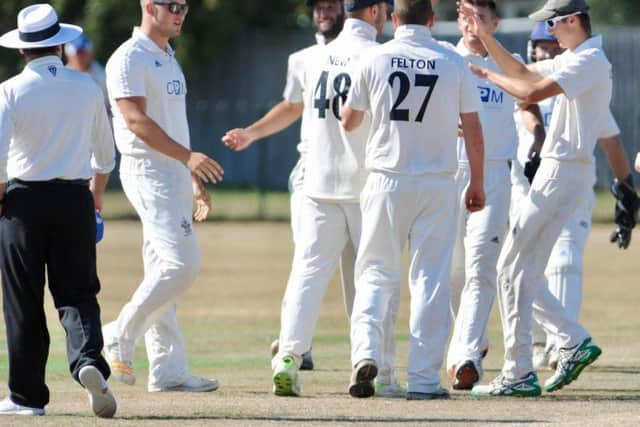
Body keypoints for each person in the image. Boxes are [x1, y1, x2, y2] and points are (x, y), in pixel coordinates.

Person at [458, 0, 639, 397]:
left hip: (562, 171)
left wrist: (482, 71)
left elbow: (529, 90)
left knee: (509, 269)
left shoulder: (589, 61)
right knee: (517, 271)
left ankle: (524, 368)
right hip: (562, 171)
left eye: (553, 24)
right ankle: (562, 346)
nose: (549, 33)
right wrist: (486, 37)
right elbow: (522, 71)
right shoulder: (578, 56)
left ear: (573, 20)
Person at [344, 0, 485, 400]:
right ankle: (423, 379)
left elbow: (349, 120)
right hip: (439, 183)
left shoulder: (375, 57)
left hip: (387, 180)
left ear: (393, 20)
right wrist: (477, 183)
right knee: (430, 281)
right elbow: (473, 131)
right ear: (431, 19)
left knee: (374, 274)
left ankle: (367, 354)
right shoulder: (452, 60)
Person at [270, 0, 394, 397]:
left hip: (319, 185)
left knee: (307, 274)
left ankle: (288, 355)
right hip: (365, 187)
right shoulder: (379, 57)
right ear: (375, 12)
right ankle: (374, 363)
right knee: (374, 279)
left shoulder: (315, 58)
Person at [0, 4, 116, 417]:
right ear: (61, 44)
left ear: (22, 50)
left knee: (23, 301)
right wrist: (95, 196)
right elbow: (106, 156)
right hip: (74, 200)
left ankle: (27, 398)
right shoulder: (87, 87)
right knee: (78, 294)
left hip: (22, 204)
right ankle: (87, 361)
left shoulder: (10, 90)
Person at [103, 0, 224, 393]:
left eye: (184, 7)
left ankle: (168, 369)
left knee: (161, 267)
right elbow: (135, 121)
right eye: (172, 5)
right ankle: (119, 333)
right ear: (148, 6)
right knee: (181, 265)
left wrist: (190, 173)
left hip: (172, 171)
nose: (180, 13)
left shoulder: (169, 58)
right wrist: (187, 157)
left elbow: (175, 124)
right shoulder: (128, 57)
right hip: (147, 171)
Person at [222, 0, 346, 372]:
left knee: (363, 265)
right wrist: (251, 133)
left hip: (361, 174)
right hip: (312, 172)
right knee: (309, 258)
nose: (323, 12)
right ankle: (297, 345)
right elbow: (293, 107)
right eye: (318, 7)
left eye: (331, 6)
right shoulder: (303, 59)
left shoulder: (369, 54)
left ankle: (369, 353)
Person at [512, 22, 627, 371]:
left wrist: (625, 187)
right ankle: (537, 342)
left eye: (552, 45)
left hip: (568, 182)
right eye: (541, 46)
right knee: (520, 267)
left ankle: (562, 347)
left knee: (564, 261)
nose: (547, 51)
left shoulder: (576, 82)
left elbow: (610, 139)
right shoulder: (519, 85)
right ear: (532, 51)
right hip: (523, 186)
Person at [446, 0, 527, 390]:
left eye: (479, 17)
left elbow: (526, 83)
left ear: (495, 21)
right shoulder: (447, 60)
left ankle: (464, 357)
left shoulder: (506, 62)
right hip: (451, 173)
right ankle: (473, 343)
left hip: (494, 172)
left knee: (480, 269)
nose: (470, 24)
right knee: (451, 274)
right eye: (464, 16)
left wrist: (488, 40)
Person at [65, 34, 110, 113]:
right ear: (69, 56)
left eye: (83, 54)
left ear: (90, 54)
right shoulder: (62, 77)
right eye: (78, 54)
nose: (81, 58)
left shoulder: (103, 76)